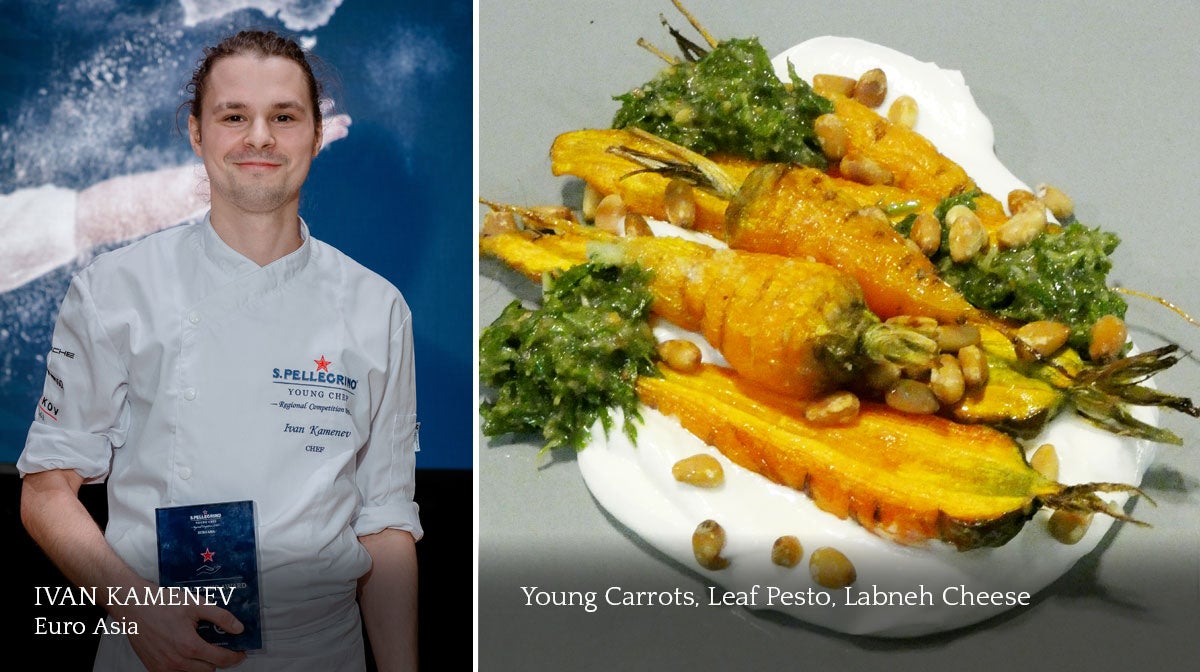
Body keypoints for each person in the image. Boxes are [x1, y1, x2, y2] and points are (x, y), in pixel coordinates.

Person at [17, 30, 421, 672]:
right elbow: (44, 492)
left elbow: (386, 521)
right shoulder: (114, 289)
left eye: (284, 117)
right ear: (196, 133)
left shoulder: (378, 308)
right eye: (234, 116)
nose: (259, 137)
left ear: (316, 134)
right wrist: (137, 612)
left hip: (322, 651)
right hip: (154, 649)